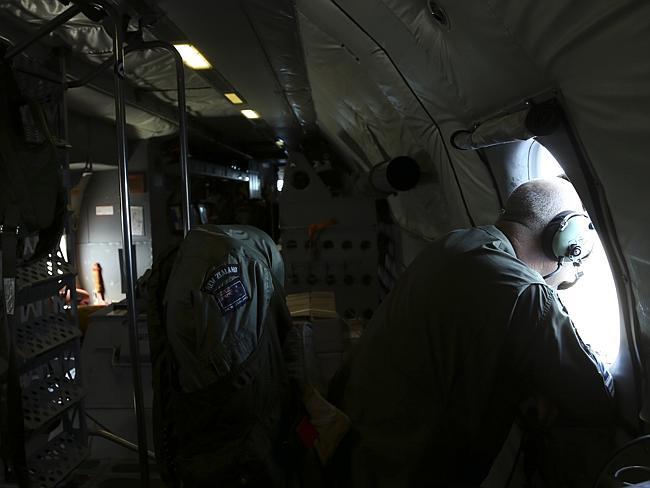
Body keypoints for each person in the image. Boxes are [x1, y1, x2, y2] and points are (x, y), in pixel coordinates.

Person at [330, 178, 615, 487]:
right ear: (565, 238)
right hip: (404, 466)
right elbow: (594, 393)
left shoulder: (455, 243)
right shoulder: (525, 291)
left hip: (359, 437)